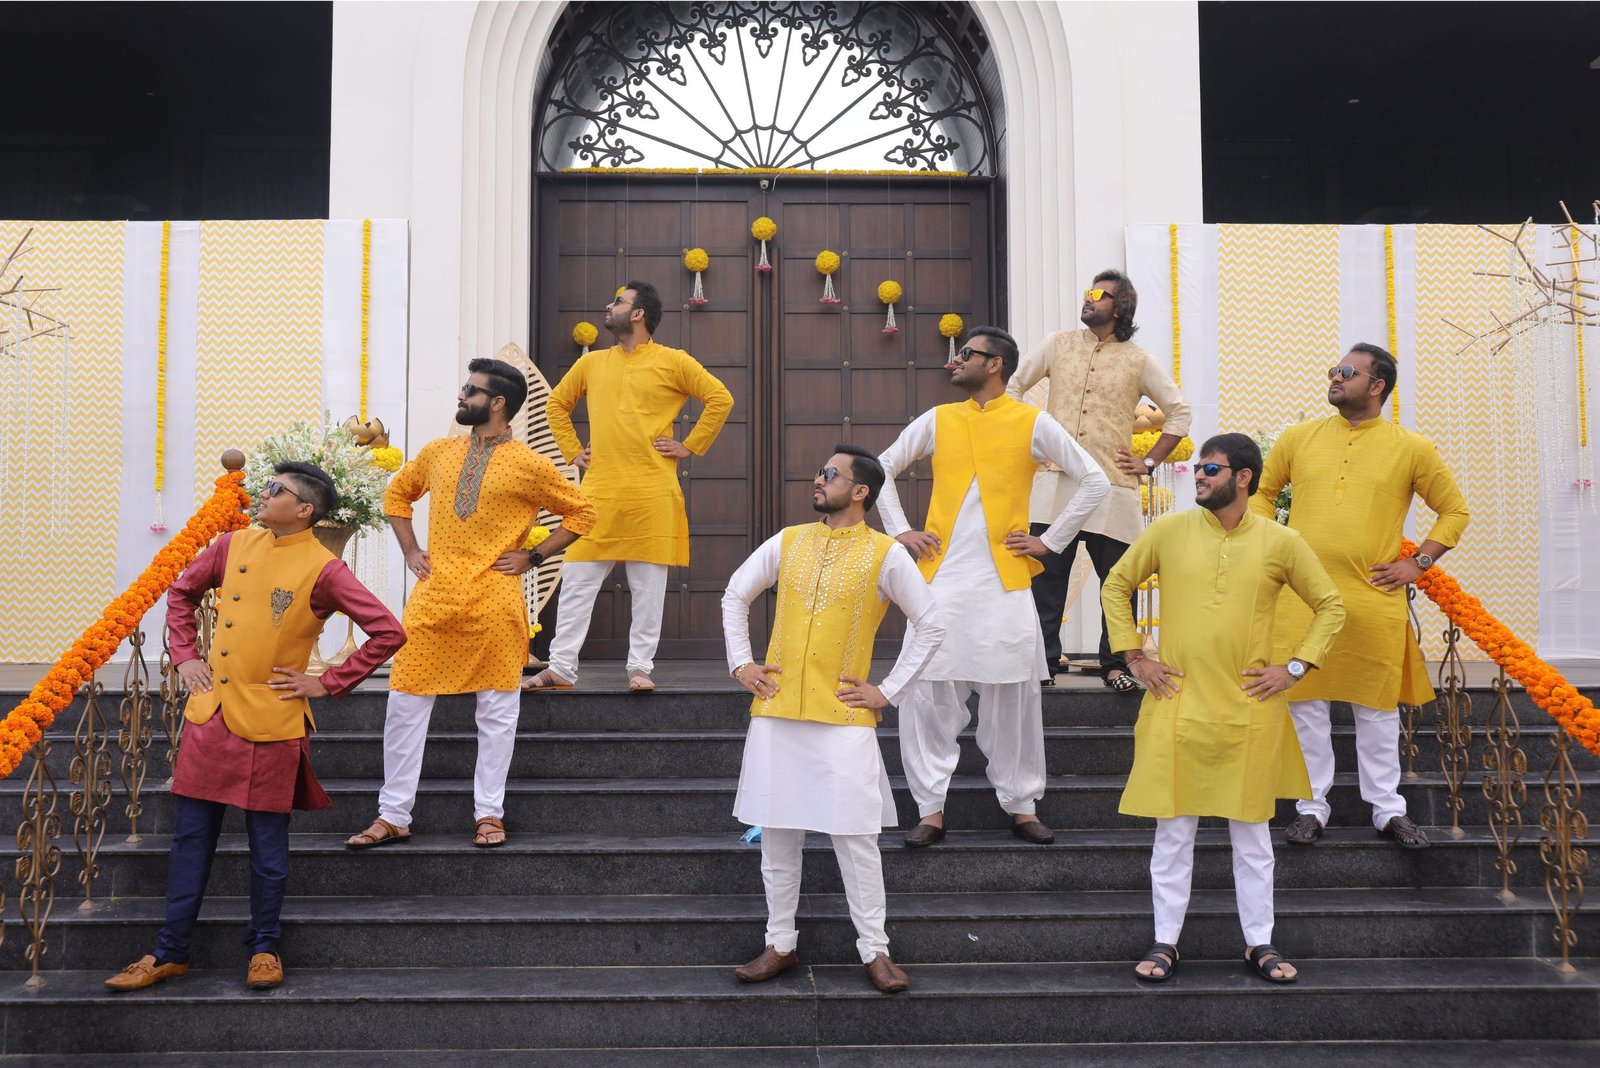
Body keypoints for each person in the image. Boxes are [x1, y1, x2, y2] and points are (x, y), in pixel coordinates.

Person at [104, 462, 406, 992]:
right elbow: (181, 593)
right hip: (211, 714)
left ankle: (263, 948)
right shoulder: (233, 545)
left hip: (272, 723)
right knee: (190, 841)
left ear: (305, 509)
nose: (262, 495)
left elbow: (387, 631)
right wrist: (184, 656)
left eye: (275, 490)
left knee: (269, 850)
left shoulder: (324, 567)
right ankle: (169, 952)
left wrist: (328, 682)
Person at [1104, 433, 1345, 985]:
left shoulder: (1281, 541)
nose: (1199, 477)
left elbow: (1330, 605)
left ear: (1243, 477)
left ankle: (1259, 943)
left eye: (1210, 468)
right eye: (1196, 468)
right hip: (1177, 702)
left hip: (1249, 708)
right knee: (1173, 834)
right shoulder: (1169, 530)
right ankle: (1165, 943)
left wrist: (1296, 668)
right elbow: (1117, 583)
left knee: (1253, 837)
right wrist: (1134, 654)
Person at [346, 358, 597, 850]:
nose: (461, 396)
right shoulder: (439, 452)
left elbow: (583, 511)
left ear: (497, 403)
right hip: (433, 599)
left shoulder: (528, 463)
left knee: (498, 712)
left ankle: (489, 815)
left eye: (470, 390)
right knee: (404, 706)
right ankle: (393, 814)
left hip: (494, 601)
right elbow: (398, 495)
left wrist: (534, 555)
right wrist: (411, 550)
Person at [722, 445, 945, 993]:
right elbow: (734, 593)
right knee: (776, 836)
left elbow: (932, 624)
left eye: (830, 474)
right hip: (776, 712)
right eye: (821, 472)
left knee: (856, 837)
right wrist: (741, 663)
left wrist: (888, 691)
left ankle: (875, 949)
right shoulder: (790, 540)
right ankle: (780, 945)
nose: (818, 480)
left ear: (861, 490)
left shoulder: (884, 554)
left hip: (843, 718)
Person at [877, 326, 1109, 847]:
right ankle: (930, 809)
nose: (954, 363)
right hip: (942, 582)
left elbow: (1093, 477)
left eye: (966, 355)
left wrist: (1050, 543)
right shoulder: (939, 418)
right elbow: (881, 468)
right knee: (928, 695)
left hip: (1004, 585)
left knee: (1014, 699)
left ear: (995, 364)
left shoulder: (1031, 421)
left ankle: (1022, 805)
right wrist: (899, 531)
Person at [1254, 343, 1469, 850]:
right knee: (1304, 703)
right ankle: (1312, 806)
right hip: (1302, 597)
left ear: (1377, 386)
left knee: (1375, 708)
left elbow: (1454, 511)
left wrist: (1416, 564)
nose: (1334, 376)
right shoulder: (1298, 437)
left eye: (1346, 372)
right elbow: (1262, 493)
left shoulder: (1411, 448)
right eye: (1332, 369)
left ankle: (1387, 809)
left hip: (1372, 595)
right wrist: (1270, 543)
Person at [529, 281, 734, 693]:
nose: (609, 305)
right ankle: (562, 667)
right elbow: (556, 404)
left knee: (647, 590)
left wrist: (689, 446)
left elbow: (720, 397)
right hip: (598, 493)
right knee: (578, 582)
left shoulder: (673, 361)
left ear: (638, 313)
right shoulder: (591, 364)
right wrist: (572, 452)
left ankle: (640, 668)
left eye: (618, 302)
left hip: (650, 492)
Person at [1006, 270, 1191, 691]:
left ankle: (1115, 664)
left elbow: (1179, 412)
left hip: (1113, 486)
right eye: (1087, 293)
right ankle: (1044, 666)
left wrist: (1147, 462)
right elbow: (1013, 389)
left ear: (1120, 306)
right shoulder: (1058, 344)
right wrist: (1030, 441)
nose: (1087, 300)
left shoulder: (1138, 359)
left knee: (1118, 582)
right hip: (1055, 481)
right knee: (1045, 578)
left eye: (1098, 295)